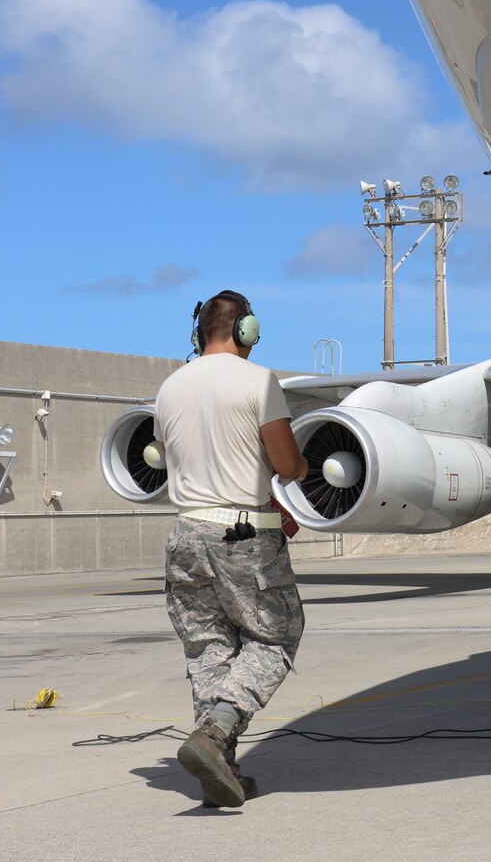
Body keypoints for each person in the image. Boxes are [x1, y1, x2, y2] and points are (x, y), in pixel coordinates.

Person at [152, 290, 307, 809]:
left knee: (208, 649)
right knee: (276, 635)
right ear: (247, 330)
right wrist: (300, 467)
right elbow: (285, 464)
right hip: (242, 535)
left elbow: (176, 455)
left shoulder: (170, 387)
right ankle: (217, 730)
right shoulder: (258, 381)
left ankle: (221, 772)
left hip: (185, 534)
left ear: (199, 332)